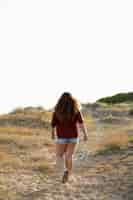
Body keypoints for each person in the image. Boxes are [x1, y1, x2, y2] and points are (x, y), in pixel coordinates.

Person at [51, 92, 88, 183]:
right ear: (72, 100)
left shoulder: (57, 110)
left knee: (59, 156)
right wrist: (85, 134)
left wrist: (52, 134)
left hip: (61, 137)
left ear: (60, 101)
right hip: (73, 137)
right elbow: (81, 123)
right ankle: (68, 173)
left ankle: (65, 171)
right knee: (69, 156)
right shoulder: (76, 110)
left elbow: (53, 124)